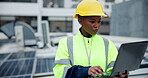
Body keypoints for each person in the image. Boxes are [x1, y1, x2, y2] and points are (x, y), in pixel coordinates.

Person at [53, 0, 129, 78]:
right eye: (92, 21)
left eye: (99, 21)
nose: (96, 25)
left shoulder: (107, 44)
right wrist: (85, 71)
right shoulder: (66, 43)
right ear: (80, 20)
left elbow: (112, 71)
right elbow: (60, 72)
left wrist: (118, 76)